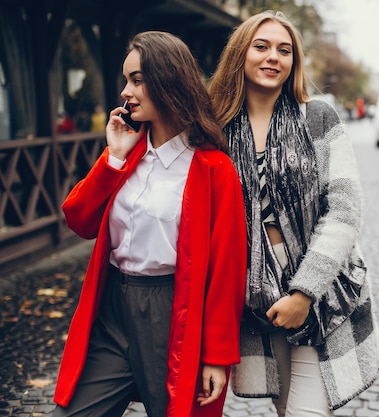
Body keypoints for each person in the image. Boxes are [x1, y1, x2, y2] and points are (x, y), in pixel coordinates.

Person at [52, 31, 247, 417]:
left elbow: (228, 269)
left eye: (137, 80)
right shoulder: (128, 154)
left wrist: (216, 356)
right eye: (126, 80)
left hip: (172, 312)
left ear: (169, 80)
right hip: (113, 311)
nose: (126, 91)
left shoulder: (213, 169)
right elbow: (78, 219)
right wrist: (113, 160)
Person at [208, 10, 379, 416]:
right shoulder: (215, 127)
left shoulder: (317, 117)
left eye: (284, 50)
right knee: (287, 407)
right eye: (262, 46)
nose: (274, 57)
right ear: (240, 53)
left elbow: (344, 210)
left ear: (294, 61)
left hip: (321, 289)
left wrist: (303, 292)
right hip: (255, 298)